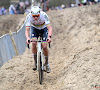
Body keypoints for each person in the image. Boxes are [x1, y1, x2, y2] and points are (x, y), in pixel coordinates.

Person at [25, 6, 52, 73]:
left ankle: (47, 64)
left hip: (44, 29)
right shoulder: (28, 17)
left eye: (37, 16)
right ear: (31, 14)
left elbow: (50, 28)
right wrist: (28, 38)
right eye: (34, 16)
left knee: (44, 46)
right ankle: (35, 63)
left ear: (40, 14)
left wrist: (49, 37)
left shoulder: (44, 15)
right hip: (34, 29)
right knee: (33, 43)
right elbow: (27, 30)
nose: (35, 18)